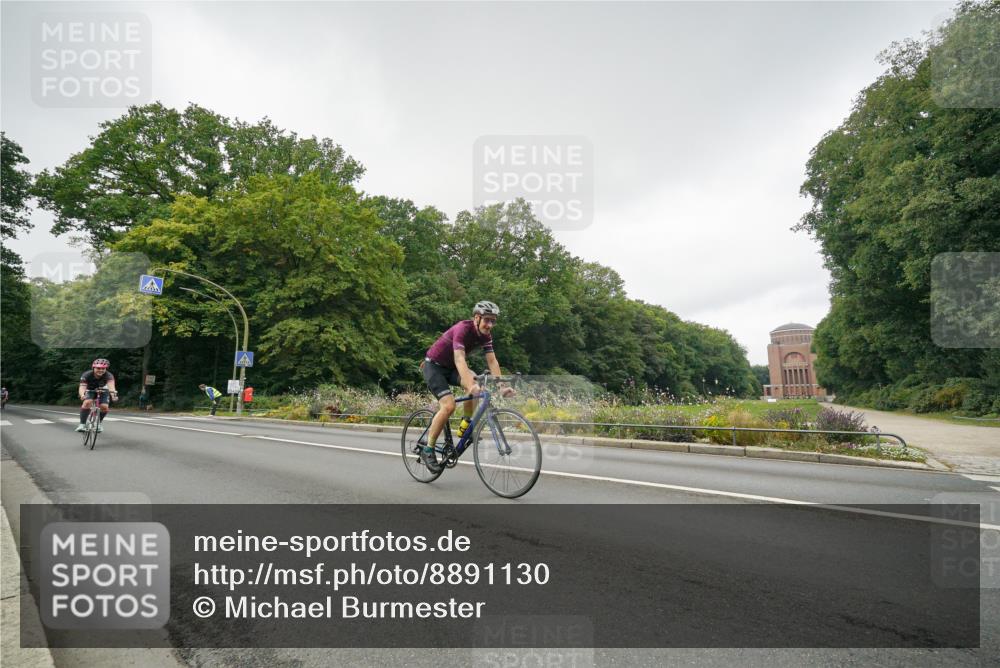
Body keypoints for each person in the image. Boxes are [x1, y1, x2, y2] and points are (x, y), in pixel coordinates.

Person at [419, 300, 515, 472]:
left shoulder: (486, 336)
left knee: (479, 389)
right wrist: (470, 385)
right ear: (477, 318)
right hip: (433, 366)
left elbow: (492, 361)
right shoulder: (462, 329)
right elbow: (460, 359)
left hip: (451, 369)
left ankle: (465, 425)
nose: (490, 324)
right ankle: (428, 449)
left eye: (493, 321)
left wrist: (501, 386)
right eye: (487, 320)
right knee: (449, 406)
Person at [76, 359, 118, 432]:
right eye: (98, 368)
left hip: (103, 390)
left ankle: (98, 423)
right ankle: (82, 424)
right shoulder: (87, 375)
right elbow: (82, 387)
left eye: (103, 369)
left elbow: (111, 387)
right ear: (93, 368)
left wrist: (113, 395)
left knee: (104, 407)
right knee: (87, 402)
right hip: (90, 390)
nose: (100, 370)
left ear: (106, 369)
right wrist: (82, 395)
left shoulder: (109, 375)